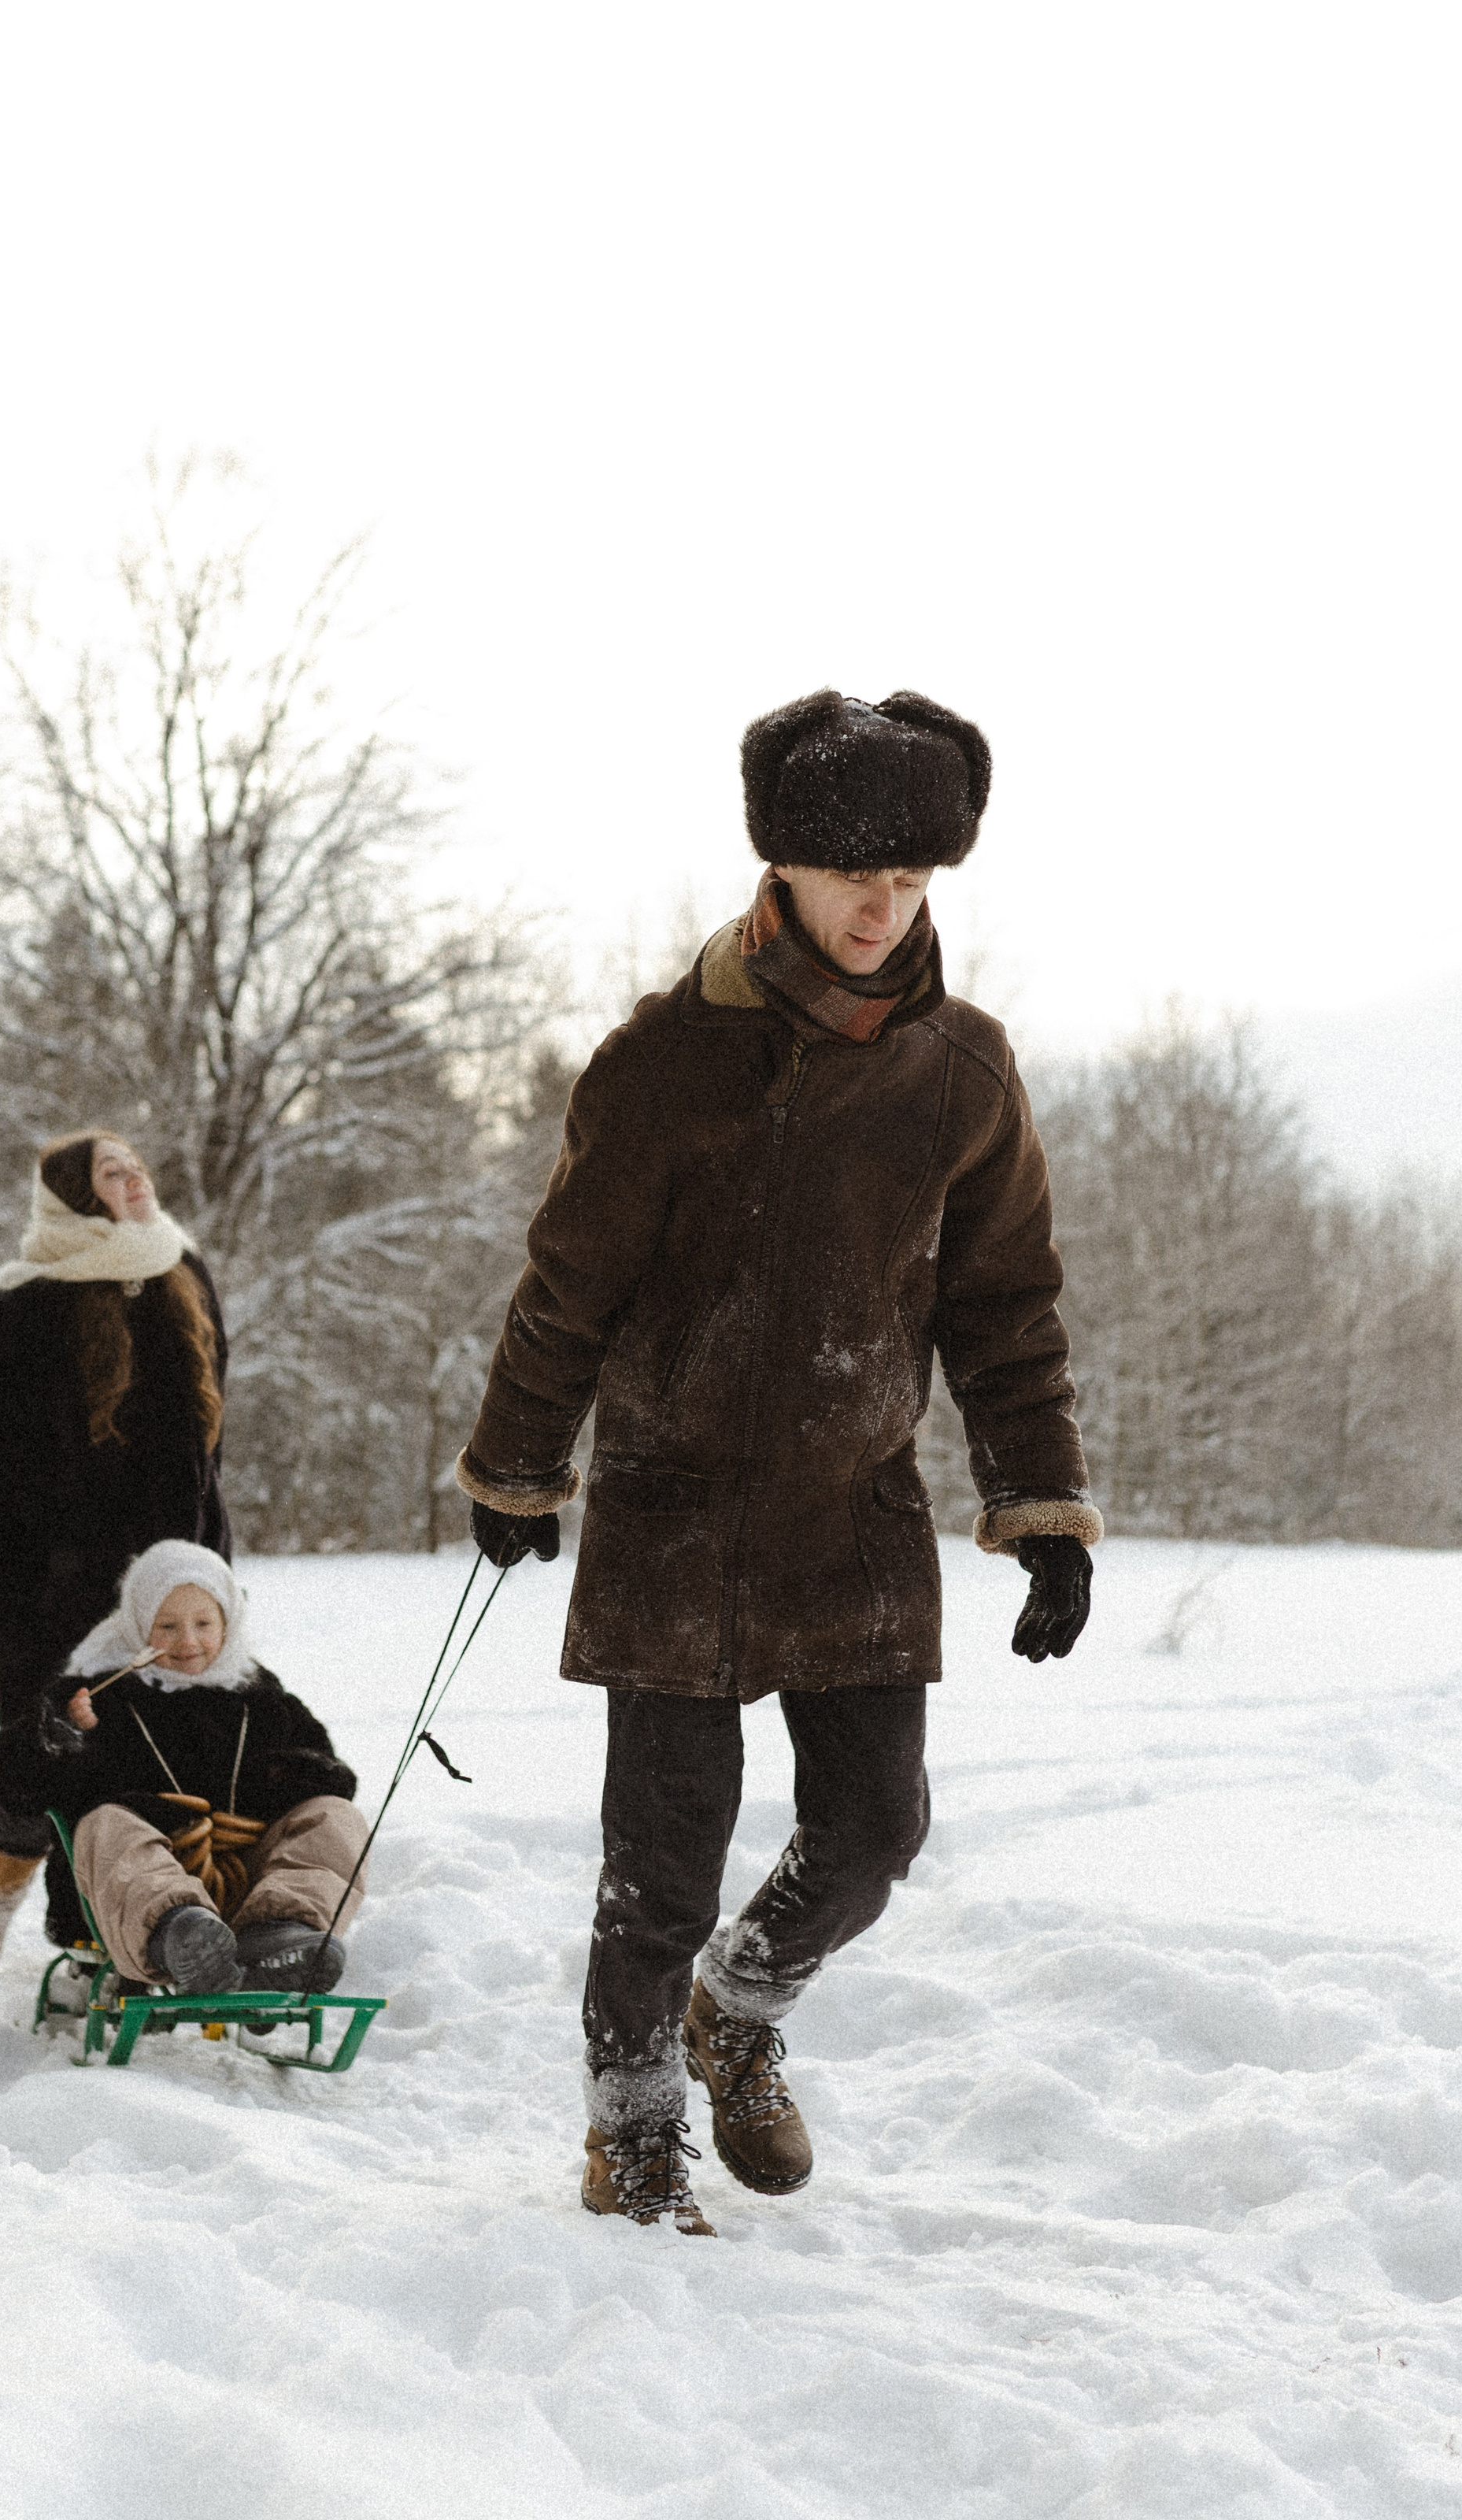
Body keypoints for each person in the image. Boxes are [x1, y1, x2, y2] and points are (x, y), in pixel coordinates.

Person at [455, 688, 1100, 2236]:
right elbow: (569, 1287)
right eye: (852, 876)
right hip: (673, 1520)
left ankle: (736, 2009)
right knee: (655, 1874)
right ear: (784, 870)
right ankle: (633, 2137)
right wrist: (514, 1467)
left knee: (875, 1834)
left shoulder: (961, 1070)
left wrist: (1041, 1501)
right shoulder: (664, 1061)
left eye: (912, 881)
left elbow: (1002, 1300)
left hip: (851, 1512)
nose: (882, 908)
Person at [0, 1131, 230, 1969]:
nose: (135, 1176)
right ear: (73, 1195)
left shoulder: (183, 1270)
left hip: (175, 1563)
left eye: (136, 1163)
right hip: (55, 1568)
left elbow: (207, 1433)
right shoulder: (30, 1298)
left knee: (168, 1741)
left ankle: (133, 1928)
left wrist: (204, 1555)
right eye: (112, 1171)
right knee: (42, 1739)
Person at [0, 1541, 366, 1992]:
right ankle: (178, 1936)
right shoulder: (94, 1696)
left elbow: (330, 1776)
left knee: (334, 1817)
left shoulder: (259, 1696)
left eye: (204, 1623)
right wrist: (56, 1737)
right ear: (137, 1624)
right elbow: (17, 1782)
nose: (187, 1641)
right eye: (167, 1626)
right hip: (133, 1897)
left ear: (228, 1622)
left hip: (248, 1884)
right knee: (108, 1824)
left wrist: (287, 1778)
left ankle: (283, 1933)